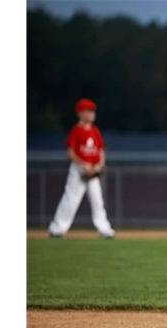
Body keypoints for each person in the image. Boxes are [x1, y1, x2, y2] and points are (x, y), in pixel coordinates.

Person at [47, 99, 115, 239]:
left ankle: (105, 230)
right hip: (79, 170)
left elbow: (100, 150)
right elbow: (70, 152)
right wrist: (83, 164)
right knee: (71, 200)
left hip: (93, 170)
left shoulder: (95, 131)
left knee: (98, 201)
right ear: (80, 113)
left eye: (92, 111)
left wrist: (99, 165)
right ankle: (57, 229)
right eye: (88, 111)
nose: (92, 113)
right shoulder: (76, 131)